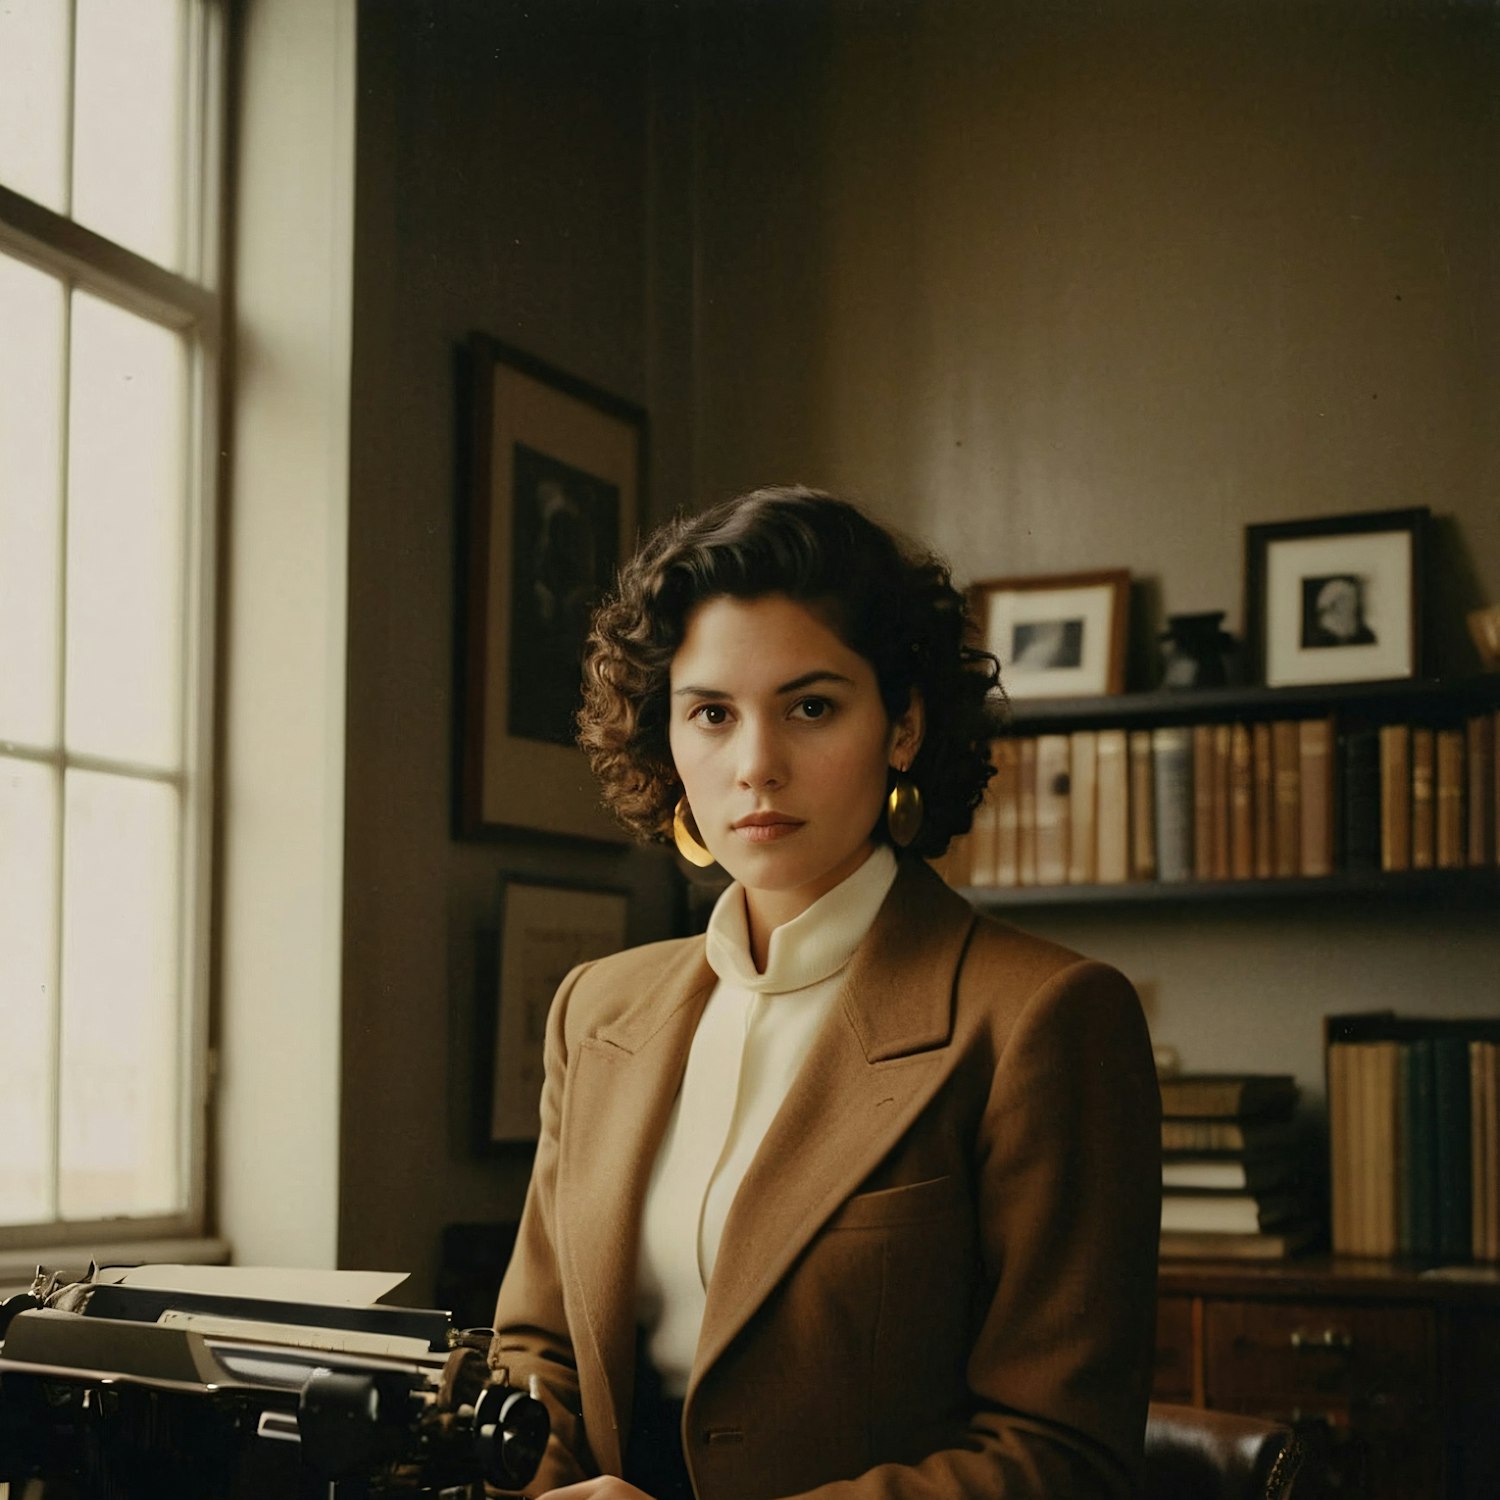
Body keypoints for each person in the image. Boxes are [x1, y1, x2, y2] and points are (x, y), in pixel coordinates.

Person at [489, 487, 1162, 1500]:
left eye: (810, 707)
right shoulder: (596, 1009)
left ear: (902, 726)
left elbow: (1062, 1457)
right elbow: (533, 1357)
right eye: (711, 714)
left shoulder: (1044, 1018)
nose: (756, 766)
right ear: (664, 741)